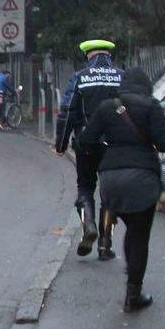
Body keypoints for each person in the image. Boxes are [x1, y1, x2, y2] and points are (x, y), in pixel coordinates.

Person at [78, 67, 165, 311]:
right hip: (143, 179)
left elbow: (85, 140)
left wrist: (111, 149)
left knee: (129, 227)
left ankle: (117, 252)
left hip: (110, 179)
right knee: (139, 235)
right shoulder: (151, 106)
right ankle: (133, 294)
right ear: (146, 85)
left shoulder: (108, 107)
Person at [54, 40, 124, 260]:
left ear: (88, 55)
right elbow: (130, 108)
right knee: (110, 192)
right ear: (109, 55)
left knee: (85, 186)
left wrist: (61, 145)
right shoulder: (122, 76)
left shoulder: (80, 77)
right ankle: (105, 245)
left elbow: (67, 112)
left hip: (85, 143)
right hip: (114, 145)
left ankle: (88, 225)